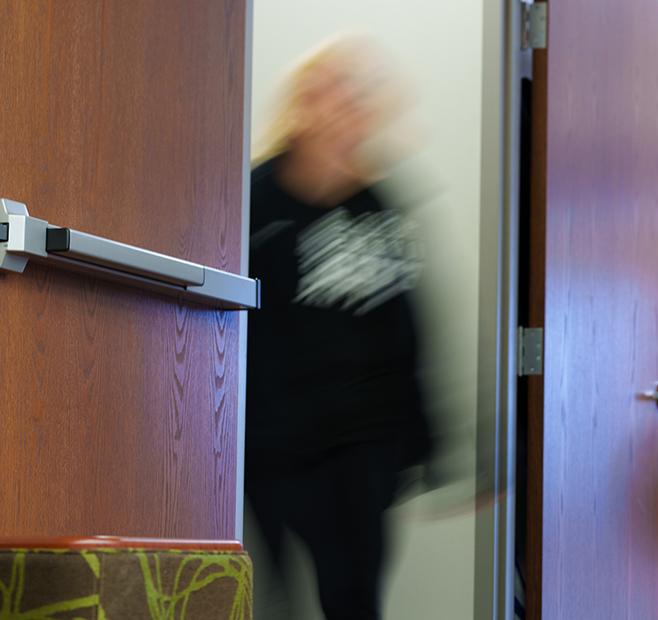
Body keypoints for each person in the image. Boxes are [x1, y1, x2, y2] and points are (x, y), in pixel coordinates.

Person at [245, 38, 430, 620]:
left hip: (361, 446)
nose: (340, 106)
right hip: (269, 444)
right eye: (325, 92)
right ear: (300, 104)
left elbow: (406, 326)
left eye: (354, 95)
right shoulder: (255, 197)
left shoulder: (379, 206)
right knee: (268, 598)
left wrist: (424, 438)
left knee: (354, 600)